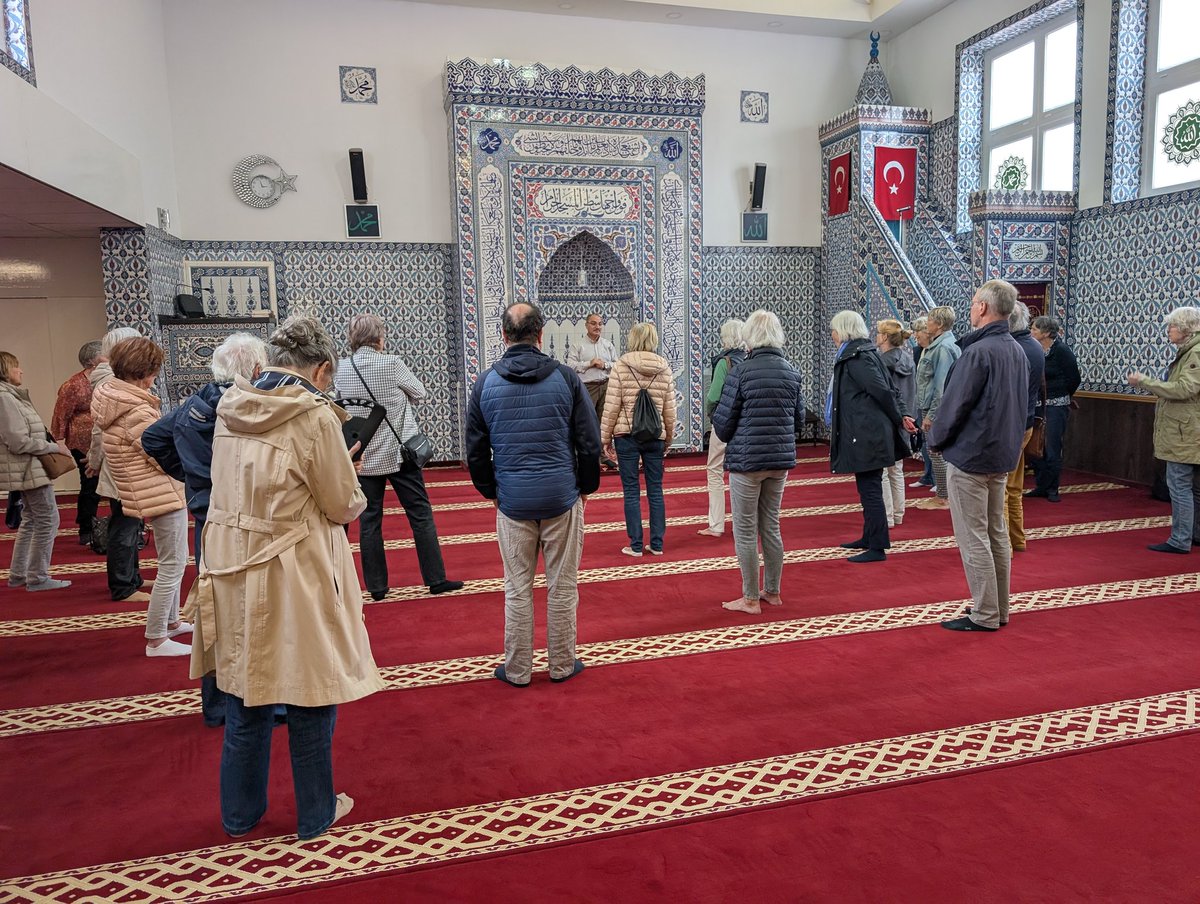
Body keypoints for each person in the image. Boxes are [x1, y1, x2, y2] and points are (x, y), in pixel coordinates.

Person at [187, 316, 383, 840]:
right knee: (309, 693)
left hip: (231, 564)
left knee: (244, 694)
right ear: (321, 369)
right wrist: (348, 466)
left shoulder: (230, 405)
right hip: (293, 568)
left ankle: (239, 816)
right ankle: (316, 814)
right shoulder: (315, 416)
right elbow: (341, 504)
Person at [466, 301, 600, 686]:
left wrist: (491, 491)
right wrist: (585, 488)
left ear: (504, 336)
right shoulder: (566, 379)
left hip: (513, 503)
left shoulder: (485, 383)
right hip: (561, 498)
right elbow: (588, 443)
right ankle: (561, 665)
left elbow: (475, 450)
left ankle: (518, 670)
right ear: (541, 335)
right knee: (563, 586)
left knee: (517, 588)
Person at [142, 332, 269, 724]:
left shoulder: (194, 405)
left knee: (215, 614)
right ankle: (262, 698)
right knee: (256, 609)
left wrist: (192, 479)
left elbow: (152, 438)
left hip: (207, 519)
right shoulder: (250, 407)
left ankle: (217, 707)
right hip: (245, 520)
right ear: (258, 369)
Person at [334, 314, 462, 600]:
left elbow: (339, 405)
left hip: (363, 455)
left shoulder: (341, 368)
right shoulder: (391, 363)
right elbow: (420, 392)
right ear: (380, 338)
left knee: (369, 520)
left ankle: (377, 588)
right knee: (420, 515)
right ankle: (436, 579)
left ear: (352, 339)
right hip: (399, 452)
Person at [931, 280, 1029, 632]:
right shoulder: (1016, 349)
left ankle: (985, 613)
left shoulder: (978, 352)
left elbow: (955, 406)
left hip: (972, 456)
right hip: (1000, 454)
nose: (971, 308)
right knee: (996, 533)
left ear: (984, 308)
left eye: (974, 303)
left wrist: (936, 440)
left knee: (974, 537)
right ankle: (999, 609)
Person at [92, 338, 192, 657]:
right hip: (157, 488)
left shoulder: (116, 398)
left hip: (148, 487)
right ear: (144, 373)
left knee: (174, 558)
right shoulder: (134, 408)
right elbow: (157, 450)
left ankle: (172, 622)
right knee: (173, 563)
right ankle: (156, 638)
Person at [712, 310, 806, 614]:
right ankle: (773, 592)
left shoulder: (741, 372)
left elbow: (724, 426)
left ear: (749, 337)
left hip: (748, 462)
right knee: (771, 525)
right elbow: (799, 423)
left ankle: (751, 598)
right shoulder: (792, 370)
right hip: (779, 461)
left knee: (745, 527)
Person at [828, 312, 916, 563]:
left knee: (871, 490)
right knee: (867, 487)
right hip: (866, 431)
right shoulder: (863, 354)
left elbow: (882, 391)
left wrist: (900, 417)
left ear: (844, 331)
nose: (832, 335)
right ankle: (869, 536)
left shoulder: (858, 358)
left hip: (868, 433)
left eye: (834, 330)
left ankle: (877, 546)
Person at [1127, 306, 1200, 554]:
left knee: (1179, 485)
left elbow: (1184, 389)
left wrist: (1146, 382)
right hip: (1188, 430)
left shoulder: (1196, 353)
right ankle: (1194, 534)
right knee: (1193, 487)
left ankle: (1180, 539)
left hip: (1186, 433)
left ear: (1186, 329)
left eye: (1172, 326)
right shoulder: (1190, 351)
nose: (1168, 330)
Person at [601, 322, 677, 557]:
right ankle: (657, 544)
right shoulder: (664, 367)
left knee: (631, 490)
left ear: (632, 339)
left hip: (626, 436)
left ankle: (635, 545)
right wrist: (669, 438)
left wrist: (605, 438)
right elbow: (670, 410)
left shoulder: (621, 366)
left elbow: (611, 406)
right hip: (654, 436)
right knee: (656, 490)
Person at [0, 351, 71, 592]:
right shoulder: (5, 398)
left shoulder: (10, 396)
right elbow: (18, 441)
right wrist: (54, 447)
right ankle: (37, 577)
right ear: (5, 369)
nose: (21, 371)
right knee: (48, 519)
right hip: (28, 468)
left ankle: (20, 574)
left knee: (31, 519)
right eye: (16, 366)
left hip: (26, 468)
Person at [88, 327, 150, 603]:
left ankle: (132, 577)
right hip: (122, 465)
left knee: (131, 524)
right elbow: (99, 430)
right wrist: (94, 461)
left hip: (124, 464)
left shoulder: (115, 382)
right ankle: (123, 586)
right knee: (124, 526)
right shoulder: (109, 384)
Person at [51, 340, 103, 547]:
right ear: (92, 360)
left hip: (103, 441)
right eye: (103, 354)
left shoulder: (109, 379)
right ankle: (86, 528)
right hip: (81, 442)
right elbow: (60, 414)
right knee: (90, 484)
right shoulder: (73, 385)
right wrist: (59, 441)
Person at [698, 319, 745, 538]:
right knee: (741, 473)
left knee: (715, 469)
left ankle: (716, 524)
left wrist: (712, 416)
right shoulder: (749, 359)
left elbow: (713, 396)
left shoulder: (724, 363)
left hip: (724, 423)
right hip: (745, 426)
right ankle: (743, 524)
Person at [1004, 302, 1046, 551]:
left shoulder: (1013, 348)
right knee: (1014, 486)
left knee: (1002, 489)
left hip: (1010, 425)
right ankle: (1017, 540)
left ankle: (1003, 545)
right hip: (1025, 422)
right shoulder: (1033, 346)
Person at [1026, 315, 1081, 503]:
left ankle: (1052, 488)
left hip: (1056, 406)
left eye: (1034, 329)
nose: (1031, 332)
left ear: (1047, 333)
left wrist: (1060, 395)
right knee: (1035, 447)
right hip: (1036, 405)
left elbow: (1074, 378)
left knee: (1052, 447)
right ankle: (1041, 485)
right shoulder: (1034, 350)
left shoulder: (1062, 351)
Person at [913, 306, 960, 510]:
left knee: (936, 452)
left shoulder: (942, 348)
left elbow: (941, 387)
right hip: (933, 406)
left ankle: (943, 497)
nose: (927, 324)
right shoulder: (940, 345)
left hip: (936, 409)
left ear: (939, 324)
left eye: (930, 320)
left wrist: (931, 415)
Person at [875, 319, 917, 528]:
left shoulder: (881, 362)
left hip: (887, 419)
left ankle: (887, 516)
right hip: (905, 417)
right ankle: (898, 513)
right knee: (896, 469)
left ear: (884, 337)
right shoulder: (908, 359)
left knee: (883, 470)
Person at [566, 312, 618, 467]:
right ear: (586, 325)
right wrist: (589, 363)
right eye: (594, 323)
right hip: (588, 388)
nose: (597, 327)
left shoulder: (607, 345)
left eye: (600, 324)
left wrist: (605, 365)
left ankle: (603, 456)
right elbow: (570, 366)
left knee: (604, 423)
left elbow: (617, 364)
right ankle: (587, 458)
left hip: (606, 386)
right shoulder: (578, 345)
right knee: (587, 423)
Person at [909, 316, 935, 490]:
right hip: (921, 401)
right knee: (924, 441)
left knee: (934, 442)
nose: (915, 335)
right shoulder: (918, 351)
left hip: (933, 403)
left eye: (918, 331)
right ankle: (927, 475)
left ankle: (937, 478)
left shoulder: (938, 350)